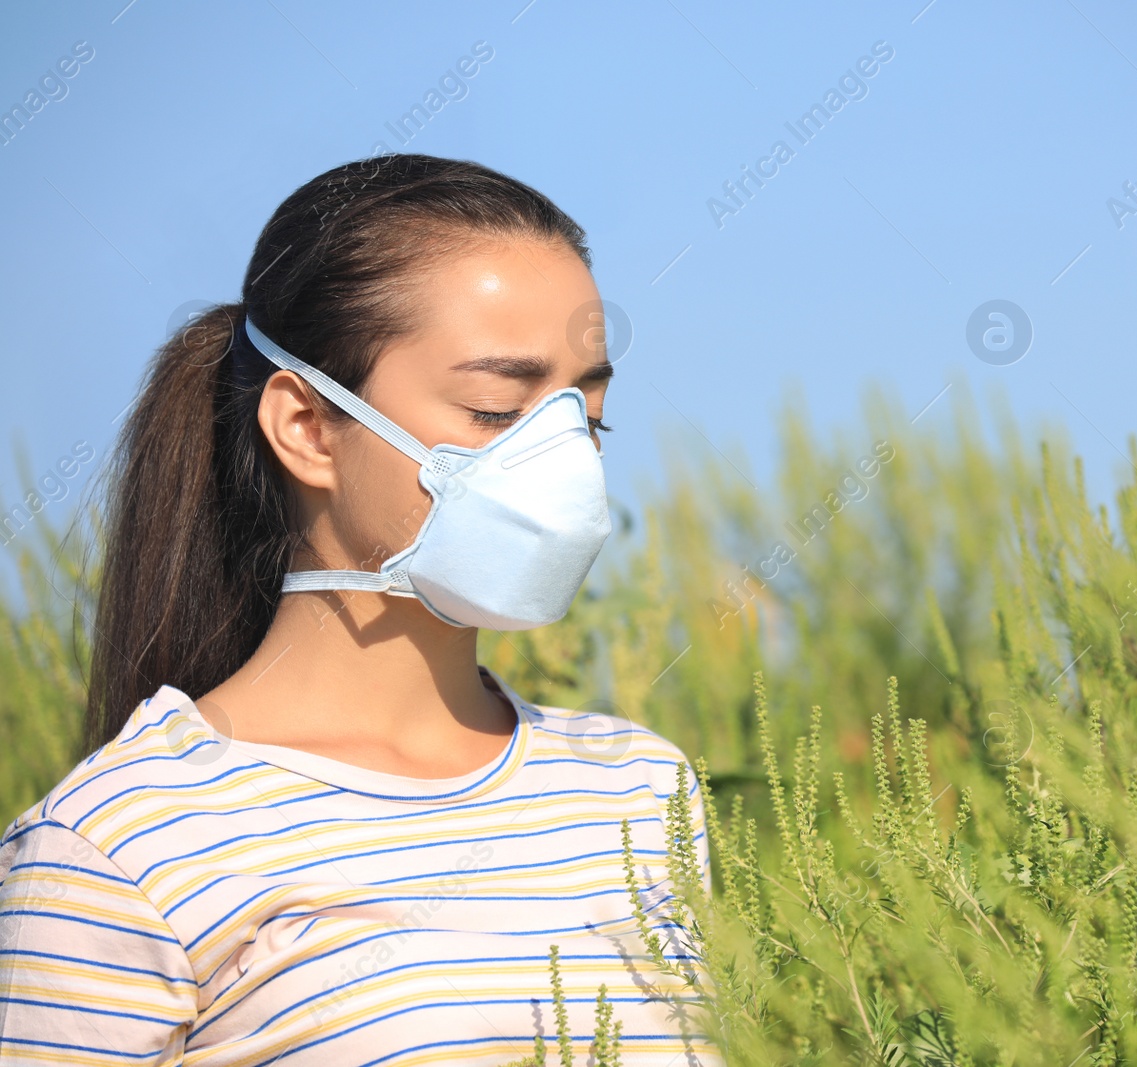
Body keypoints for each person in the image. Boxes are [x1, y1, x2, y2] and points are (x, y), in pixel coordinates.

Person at [0, 154, 720, 1066]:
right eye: (498, 409)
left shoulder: (639, 788)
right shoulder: (117, 845)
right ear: (305, 425)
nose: (565, 458)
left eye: (587, 415)